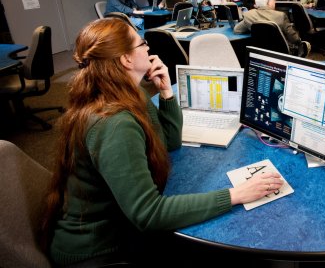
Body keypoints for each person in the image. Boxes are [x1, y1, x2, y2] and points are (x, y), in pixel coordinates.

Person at [42, 18, 283, 267]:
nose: (148, 47)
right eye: (142, 43)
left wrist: (166, 92)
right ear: (126, 59)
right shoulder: (114, 123)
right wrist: (236, 194)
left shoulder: (127, 92)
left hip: (124, 227)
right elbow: (149, 214)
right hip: (101, 250)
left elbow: (168, 141)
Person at [234, 0, 311, 57]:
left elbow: (237, 30)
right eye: (273, 0)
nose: (275, 2)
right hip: (281, 53)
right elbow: (294, 39)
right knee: (304, 44)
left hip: (260, 52)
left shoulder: (249, 15)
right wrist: (299, 42)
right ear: (268, 3)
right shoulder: (281, 16)